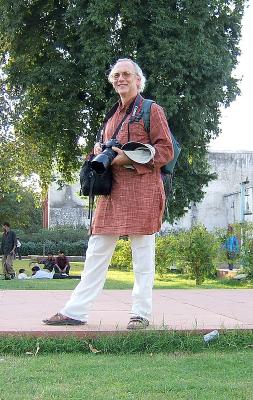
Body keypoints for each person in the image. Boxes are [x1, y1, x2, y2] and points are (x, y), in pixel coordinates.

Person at [43, 58, 174, 329]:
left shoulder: (152, 110)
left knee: (142, 255)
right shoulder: (111, 116)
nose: (120, 79)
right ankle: (76, 311)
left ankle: (141, 314)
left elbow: (165, 151)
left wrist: (126, 157)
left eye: (126, 74)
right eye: (116, 75)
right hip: (111, 192)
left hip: (142, 190)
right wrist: (96, 154)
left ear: (138, 80)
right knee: (96, 252)